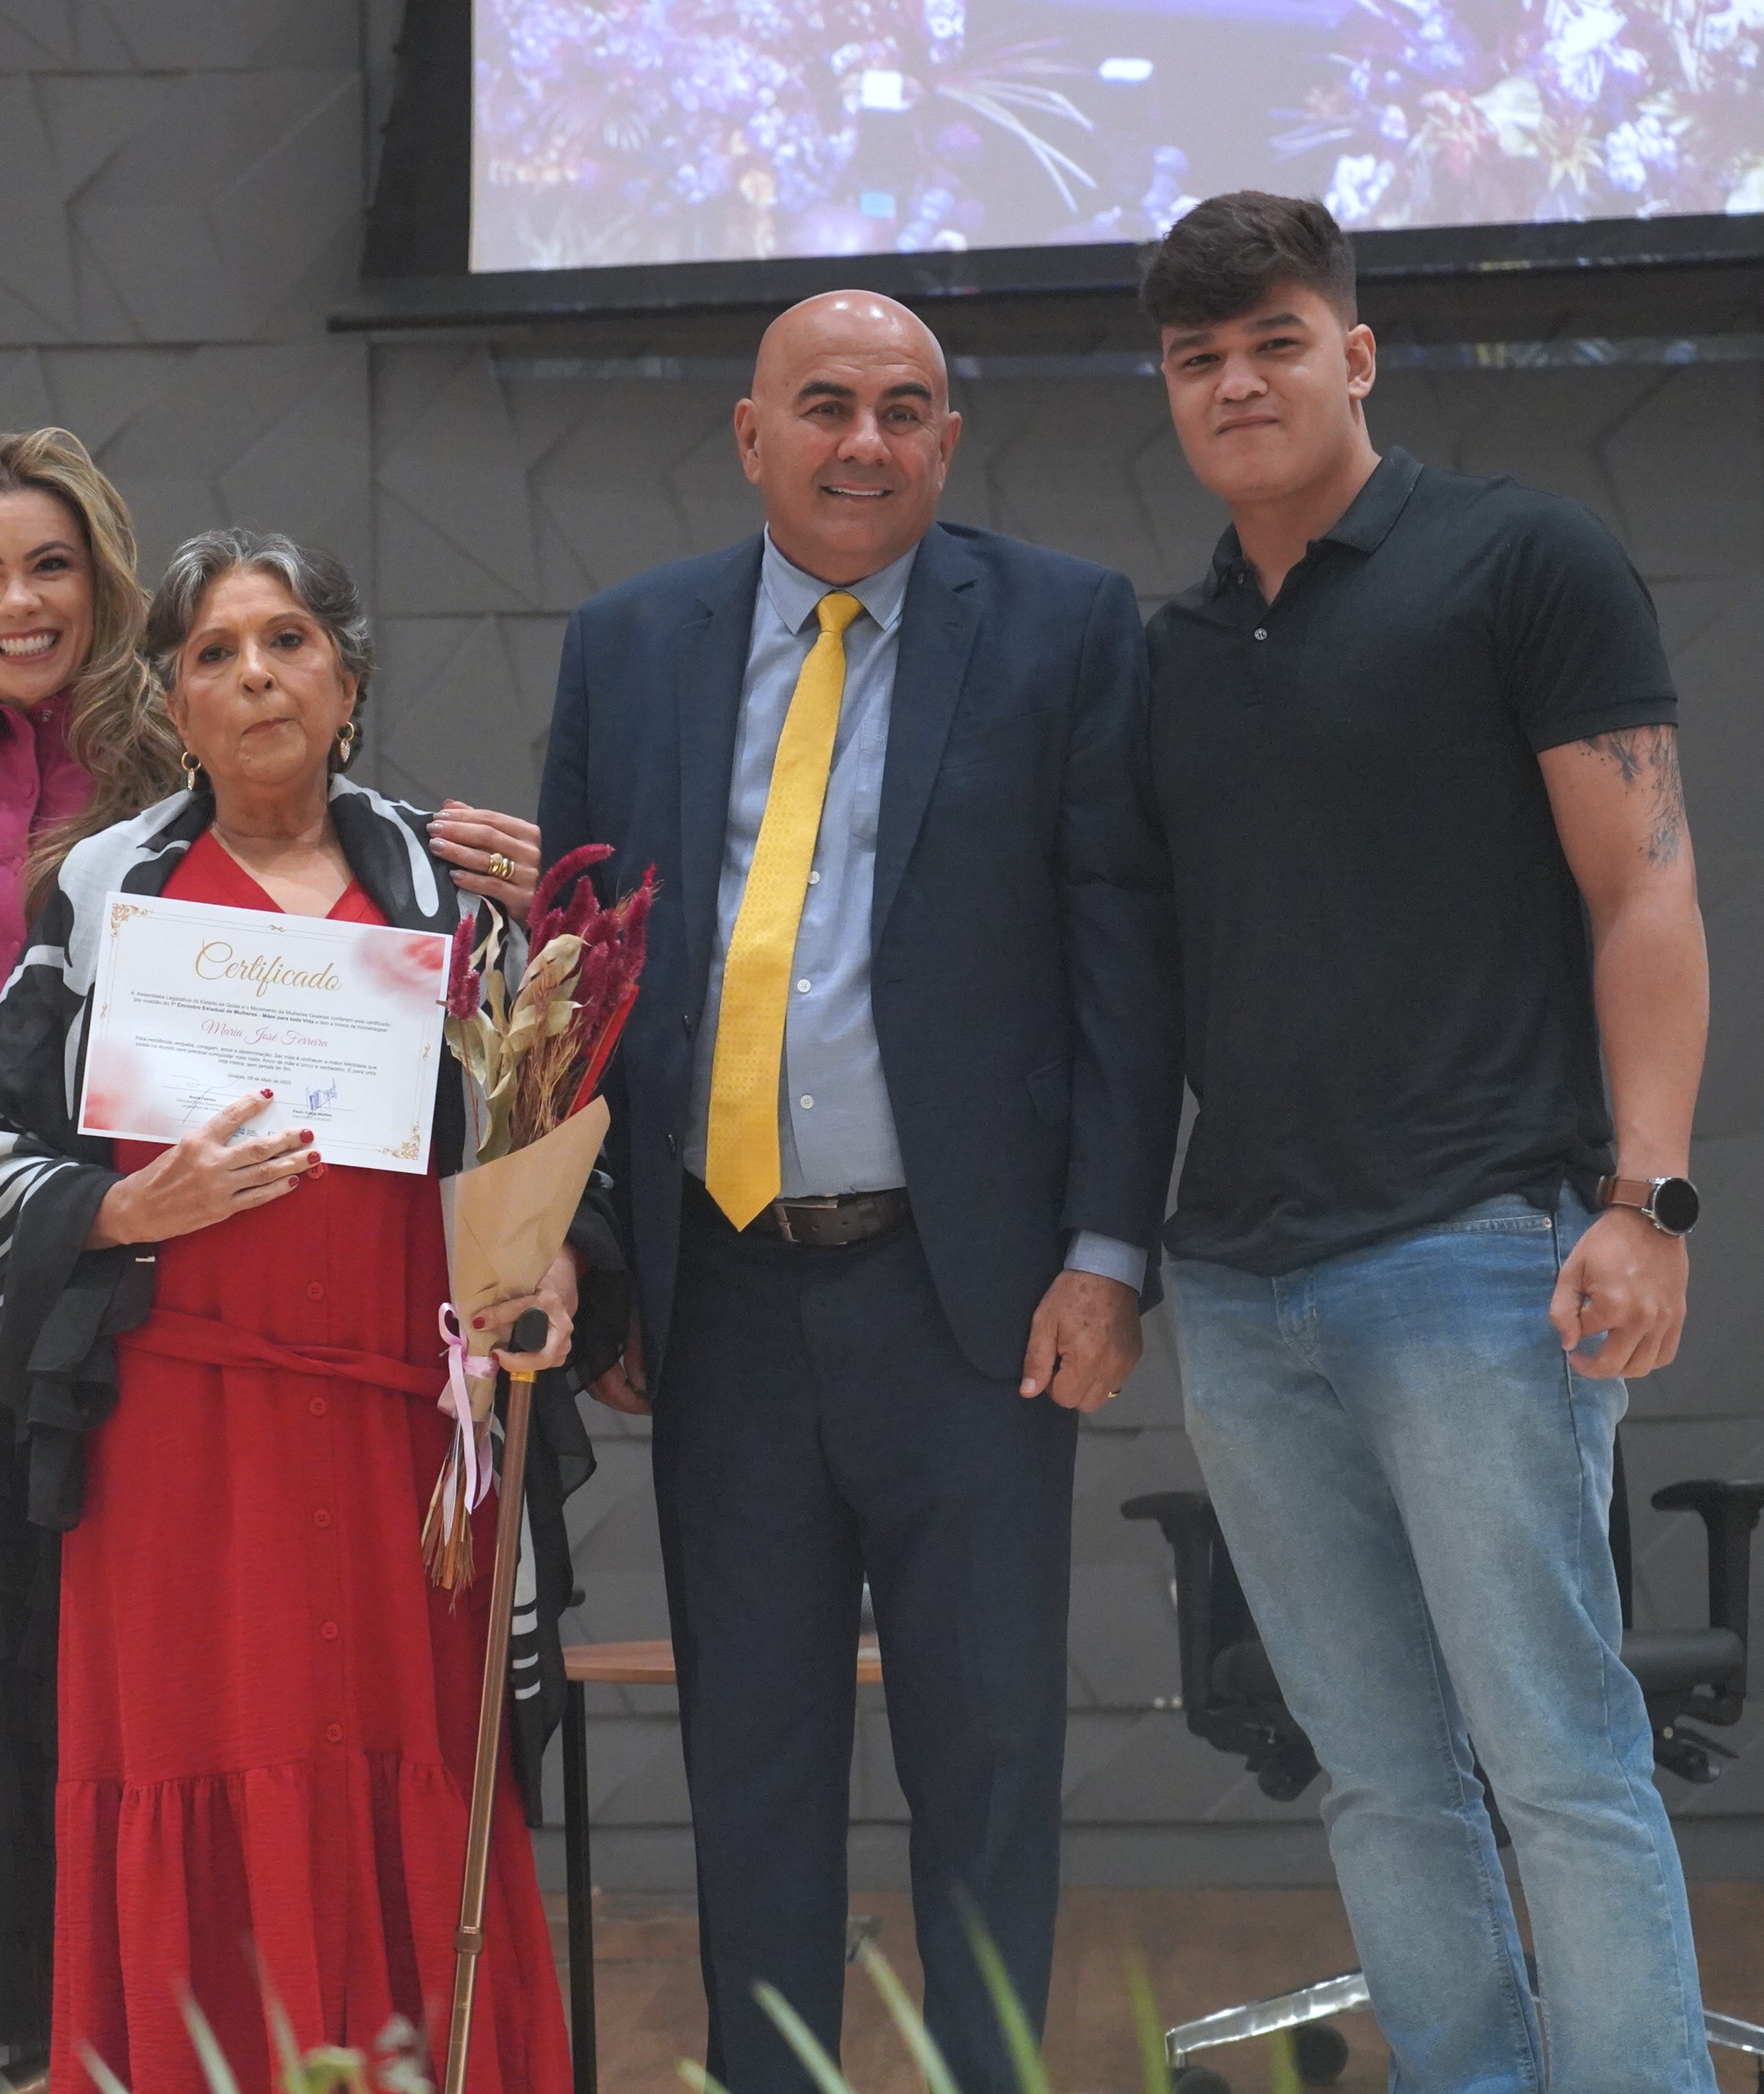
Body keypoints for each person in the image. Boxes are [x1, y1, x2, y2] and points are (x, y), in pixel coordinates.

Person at [535, 291, 1183, 2094]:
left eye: (906, 408)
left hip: (971, 1298)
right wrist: (604, 1257)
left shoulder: (1062, 626)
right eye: (824, 405)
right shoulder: (628, 642)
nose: (866, 441)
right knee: (751, 1760)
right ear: (752, 436)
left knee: (987, 1756)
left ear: (948, 442)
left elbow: (1125, 961)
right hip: (721, 1294)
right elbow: (578, 987)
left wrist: (1107, 1250)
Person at [1139, 193, 1716, 2093]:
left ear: (1357, 353)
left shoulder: (1521, 561)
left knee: (1557, 1759)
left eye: (1274, 342)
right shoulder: (1173, 654)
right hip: (1241, 1291)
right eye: (1198, 358)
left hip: (1478, 1256)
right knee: (1379, 1775)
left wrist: (1646, 1200)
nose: (1236, 382)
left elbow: (1644, 892)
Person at [0, 432, 545, 2065]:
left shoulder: (452, 901)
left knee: (402, 1760)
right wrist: (116, 1209)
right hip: (178, 1438)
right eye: (215, 653)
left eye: (287, 641)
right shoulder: (109, 892)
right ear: (170, 700)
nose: (255, 676)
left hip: (399, 1435)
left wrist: (548, 1260)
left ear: (346, 680)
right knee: (197, 1760)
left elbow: (541, 1146)